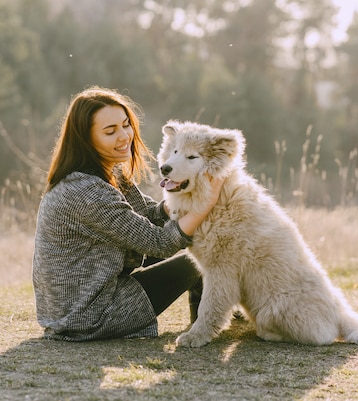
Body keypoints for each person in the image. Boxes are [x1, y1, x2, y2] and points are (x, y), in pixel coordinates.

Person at [32, 86, 224, 341]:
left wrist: (189, 193)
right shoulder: (85, 192)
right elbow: (160, 243)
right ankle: (205, 328)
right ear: (85, 139)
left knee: (209, 242)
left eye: (126, 125)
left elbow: (148, 215)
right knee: (201, 261)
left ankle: (218, 318)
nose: (124, 136)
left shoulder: (109, 173)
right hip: (88, 315)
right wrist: (206, 202)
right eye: (110, 131)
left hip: (84, 302)